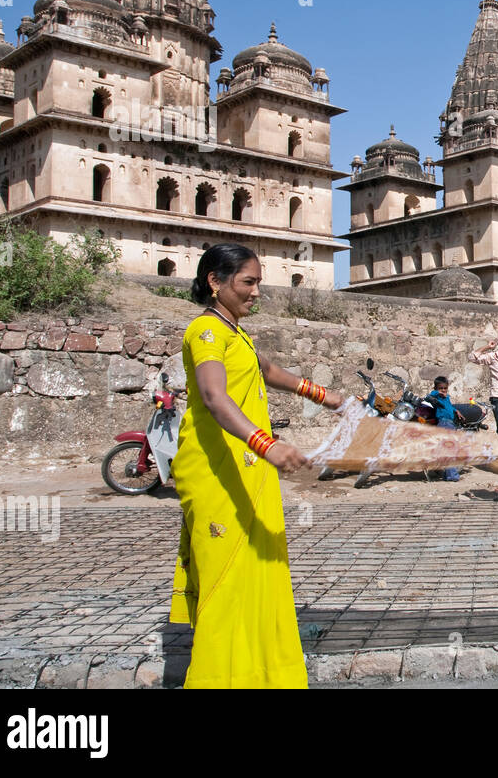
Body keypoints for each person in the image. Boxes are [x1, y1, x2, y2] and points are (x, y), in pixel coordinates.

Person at [170, 243, 346, 689]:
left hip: (244, 463)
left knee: (260, 569)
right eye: (247, 283)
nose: (255, 293)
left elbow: (264, 370)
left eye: (257, 283)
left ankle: (262, 674)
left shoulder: (234, 333)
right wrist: (266, 444)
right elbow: (213, 397)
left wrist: (323, 395)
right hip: (218, 466)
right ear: (215, 281)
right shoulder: (205, 332)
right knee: (227, 577)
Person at [424, 376, 462, 482]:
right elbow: (428, 396)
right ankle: (452, 476)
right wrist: (437, 393)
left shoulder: (447, 398)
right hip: (444, 423)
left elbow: (449, 407)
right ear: (436, 388)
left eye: (445, 388)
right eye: (441, 388)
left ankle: (447, 474)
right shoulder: (437, 397)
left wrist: (456, 411)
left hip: (450, 424)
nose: (443, 390)